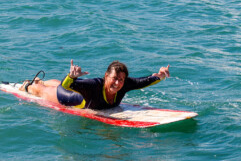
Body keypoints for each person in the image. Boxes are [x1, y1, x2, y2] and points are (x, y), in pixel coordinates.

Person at [20, 60, 170, 110]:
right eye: (114, 78)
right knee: (45, 91)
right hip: (70, 97)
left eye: (121, 80)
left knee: (57, 84)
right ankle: (29, 85)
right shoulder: (95, 85)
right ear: (106, 76)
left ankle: (43, 81)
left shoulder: (125, 84)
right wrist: (71, 76)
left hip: (78, 89)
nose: (118, 83)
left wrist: (160, 76)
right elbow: (67, 87)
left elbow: (143, 81)